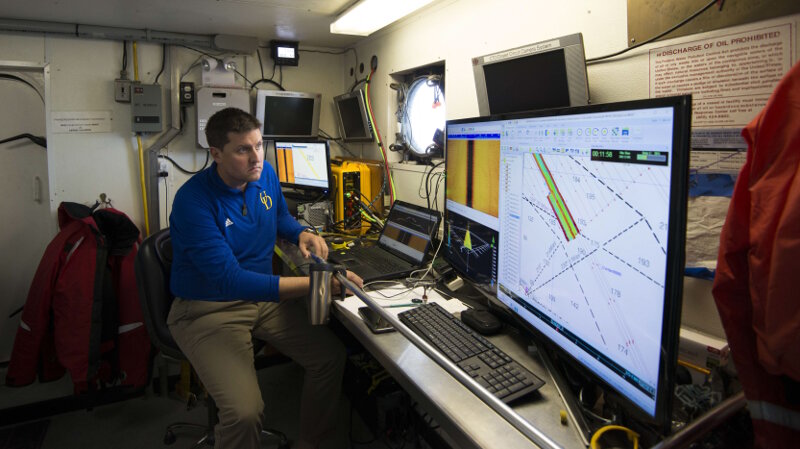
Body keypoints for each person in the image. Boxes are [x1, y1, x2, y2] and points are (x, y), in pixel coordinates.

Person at [167, 107, 363, 449]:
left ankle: (311, 443)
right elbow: (231, 281)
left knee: (330, 357)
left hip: (261, 301)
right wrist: (319, 284)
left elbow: (279, 217)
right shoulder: (192, 201)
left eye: (259, 145)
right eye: (243, 149)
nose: (256, 157)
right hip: (208, 309)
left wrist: (300, 232)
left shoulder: (265, 174)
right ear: (216, 153)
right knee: (244, 413)